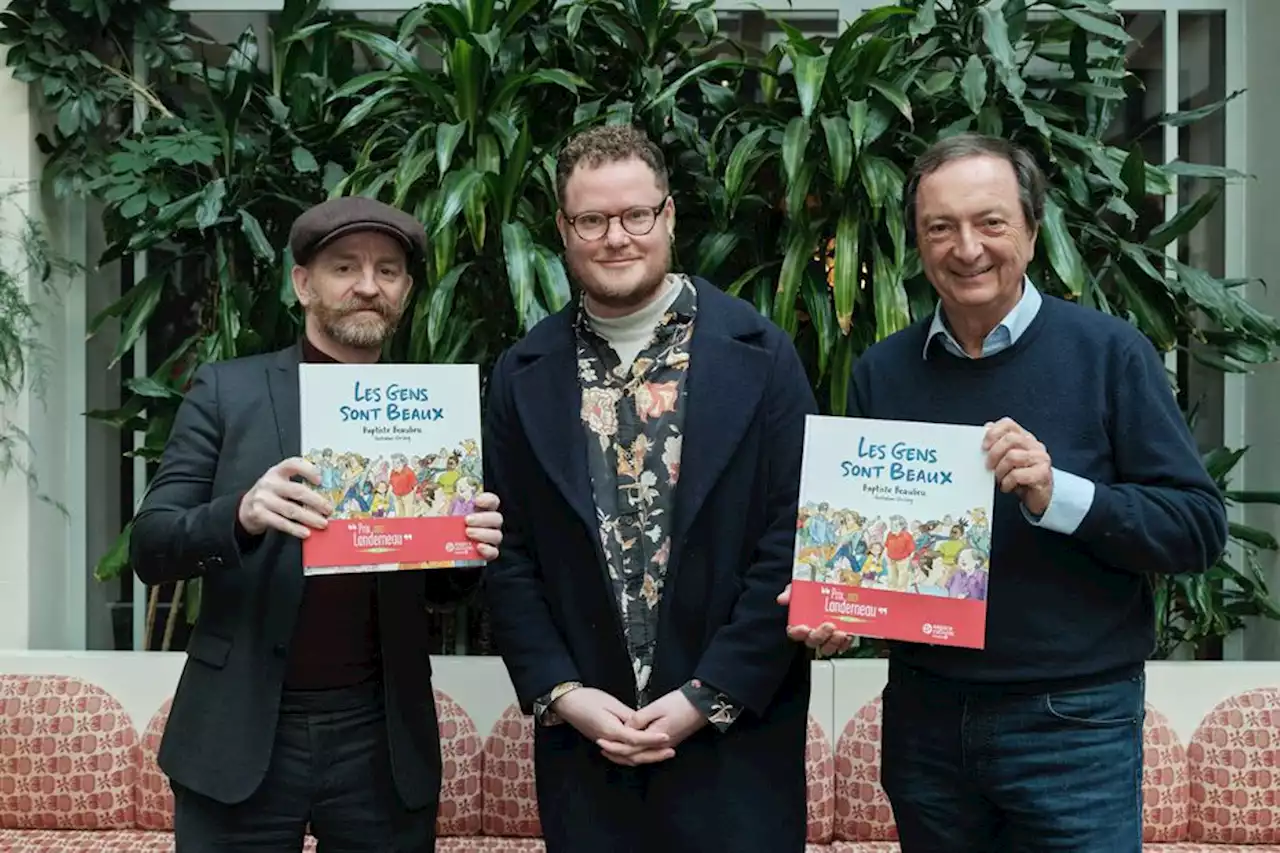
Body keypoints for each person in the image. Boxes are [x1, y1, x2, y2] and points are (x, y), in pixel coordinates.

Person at [780, 132, 1228, 852]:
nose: (967, 248)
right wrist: (840, 611)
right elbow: (874, 550)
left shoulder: (1110, 353)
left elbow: (1198, 527)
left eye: (990, 222)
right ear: (917, 243)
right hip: (926, 721)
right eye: (940, 227)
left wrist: (1062, 494)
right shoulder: (882, 373)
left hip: (1071, 723)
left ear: (1030, 226)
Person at [129, 196, 505, 852]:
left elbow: (445, 592)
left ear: (406, 292)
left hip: (380, 736)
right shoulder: (228, 391)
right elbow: (151, 545)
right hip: (240, 727)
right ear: (303, 283)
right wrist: (241, 514)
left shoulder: (430, 414)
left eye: (388, 271)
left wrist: (469, 544)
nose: (368, 285)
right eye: (344, 267)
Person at [482, 123, 815, 852]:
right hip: (588, 751)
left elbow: (794, 537)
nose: (615, 237)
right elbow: (505, 554)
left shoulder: (763, 355)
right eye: (592, 220)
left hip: (735, 747)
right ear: (564, 230)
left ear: (668, 216)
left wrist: (706, 695)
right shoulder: (522, 373)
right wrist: (565, 695)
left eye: (636, 214)